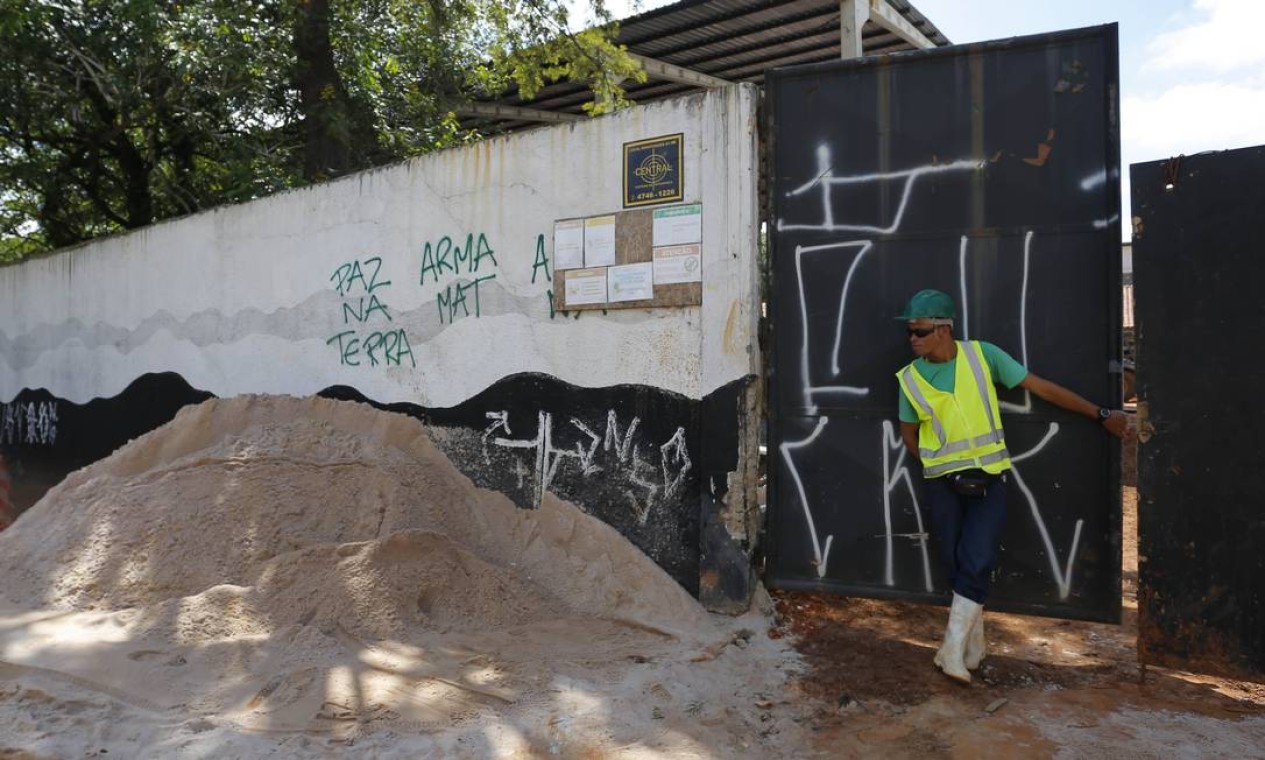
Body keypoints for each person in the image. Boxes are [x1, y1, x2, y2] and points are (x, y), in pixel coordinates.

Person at [894, 289, 1127, 684]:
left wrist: (1099, 413)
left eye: (920, 330)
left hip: (989, 478)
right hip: (942, 484)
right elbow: (910, 436)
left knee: (979, 557)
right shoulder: (909, 379)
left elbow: (1042, 388)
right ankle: (973, 647)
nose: (912, 338)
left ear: (944, 328)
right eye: (910, 332)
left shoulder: (983, 355)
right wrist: (937, 464)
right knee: (956, 564)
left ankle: (949, 650)